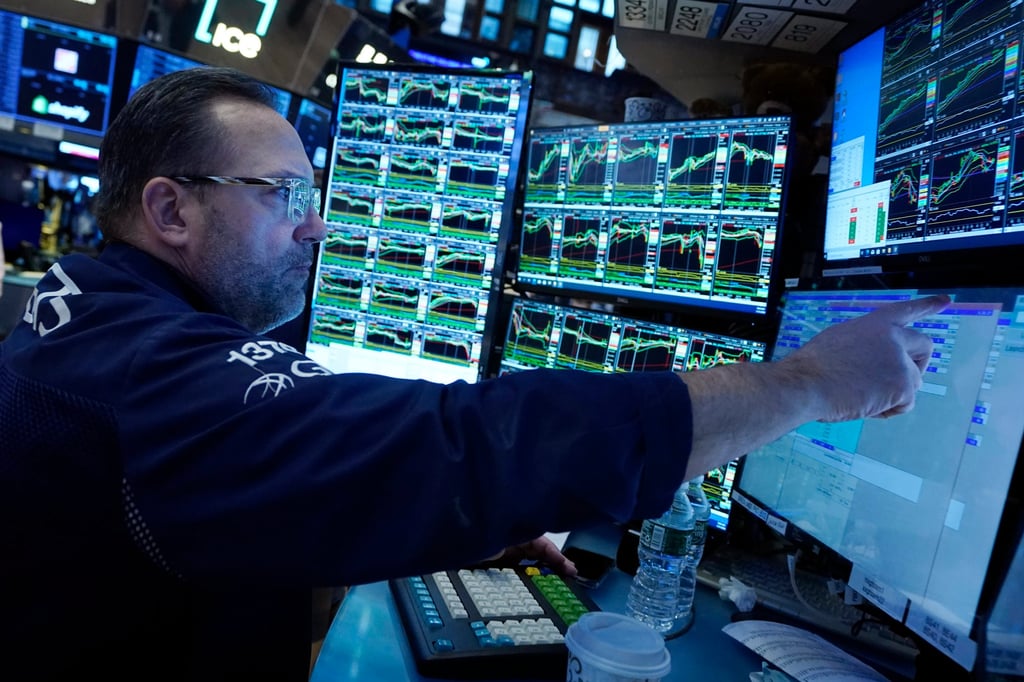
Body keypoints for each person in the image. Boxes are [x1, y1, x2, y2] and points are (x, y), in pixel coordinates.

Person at [0, 66, 948, 682]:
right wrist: (810, 382)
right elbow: (451, 446)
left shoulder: (91, 316)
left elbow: (248, 505)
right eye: (283, 194)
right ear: (170, 209)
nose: (315, 224)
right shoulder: (149, 379)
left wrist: (441, 521)